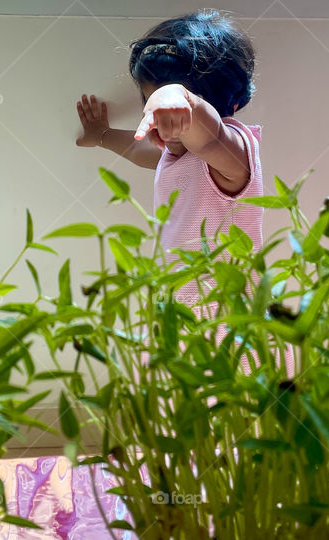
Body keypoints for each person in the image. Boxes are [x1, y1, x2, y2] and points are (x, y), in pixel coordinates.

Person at [75, 10, 293, 377]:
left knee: (232, 404)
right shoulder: (175, 151)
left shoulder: (233, 152)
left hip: (229, 323)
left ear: (230, 105)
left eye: (173, 114)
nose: (165, 125)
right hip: (183, 313)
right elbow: (143, 151)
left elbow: (208, 135)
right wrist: (102, 135)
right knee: (175, 400)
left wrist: (177, 97)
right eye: (154, 107)